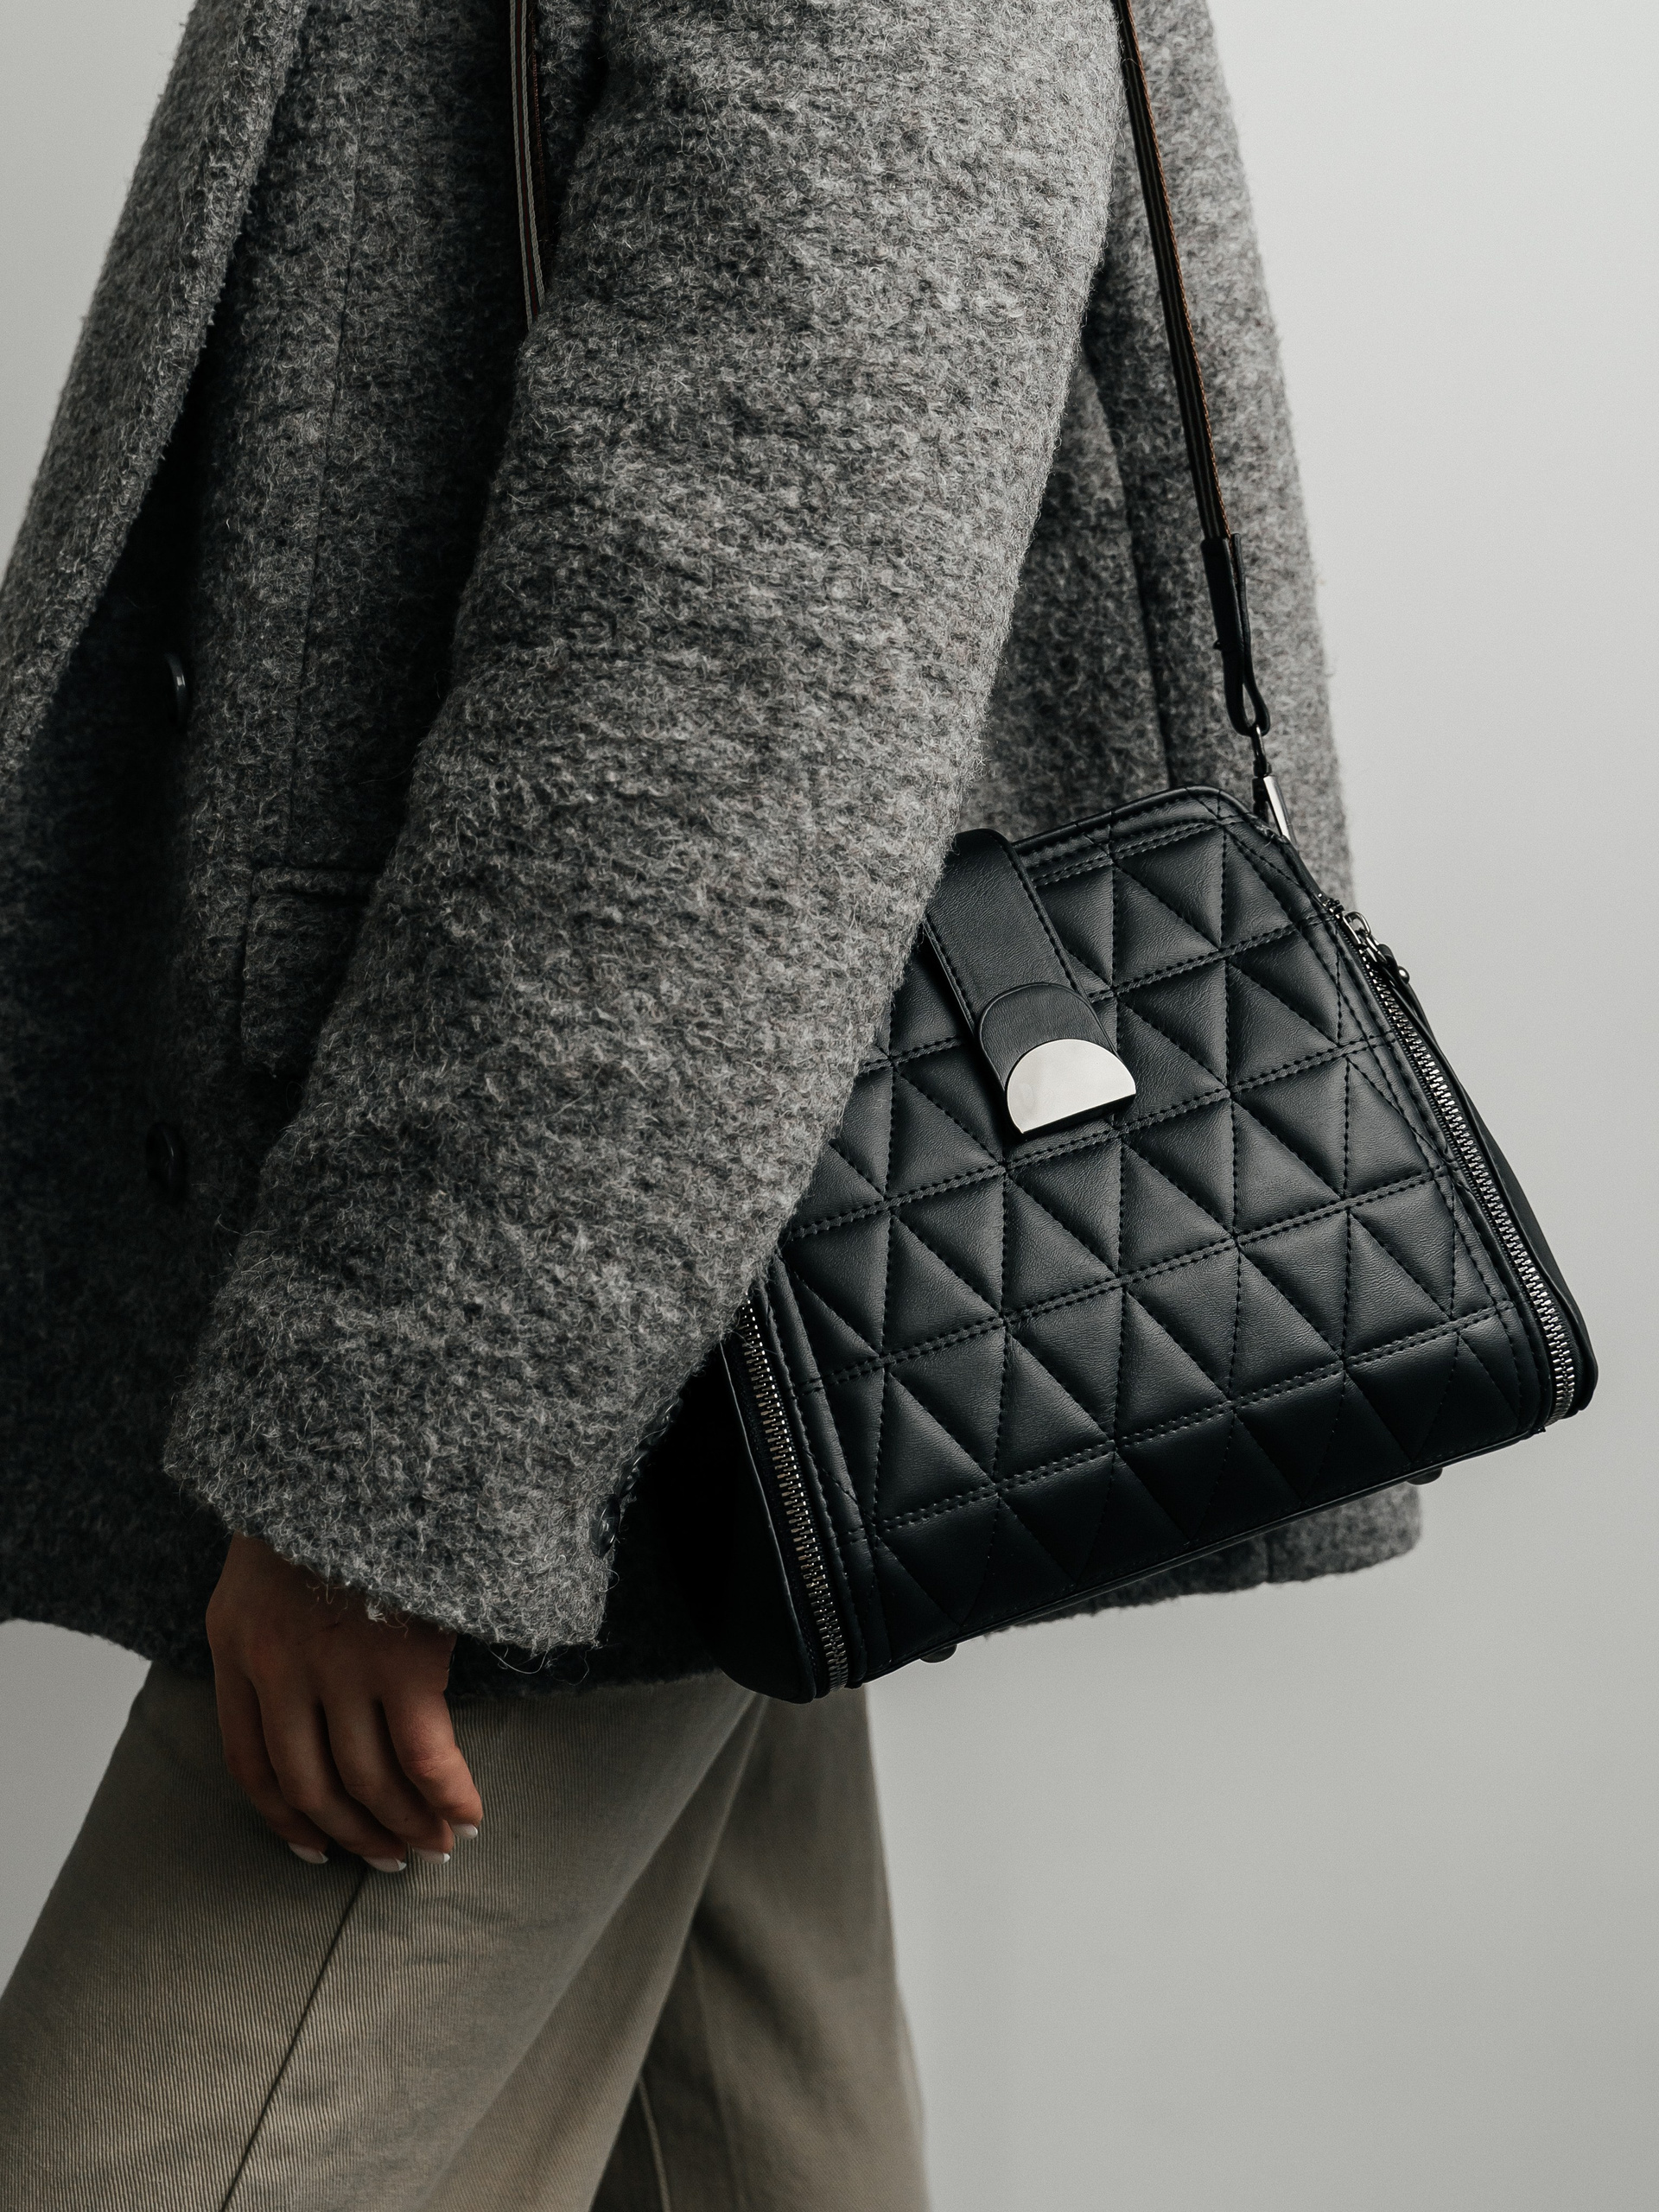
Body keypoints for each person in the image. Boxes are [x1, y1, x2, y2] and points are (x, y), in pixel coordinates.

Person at [0, 0, 1420, 2202]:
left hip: (530, 1281)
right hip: (654, 1248)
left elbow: (746, 647)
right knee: (754, 2137)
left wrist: (407, 1448)